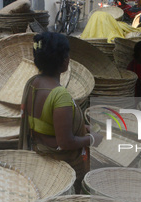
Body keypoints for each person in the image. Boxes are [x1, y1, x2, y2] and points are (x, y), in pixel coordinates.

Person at [19, 32, 102, 192]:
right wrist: (92, 139)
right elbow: (65, 142)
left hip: (40, 153)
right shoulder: (60, 95)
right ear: (64, 61)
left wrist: (80, 127)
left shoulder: (32, 84)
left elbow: (47, 124)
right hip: (62, 164)